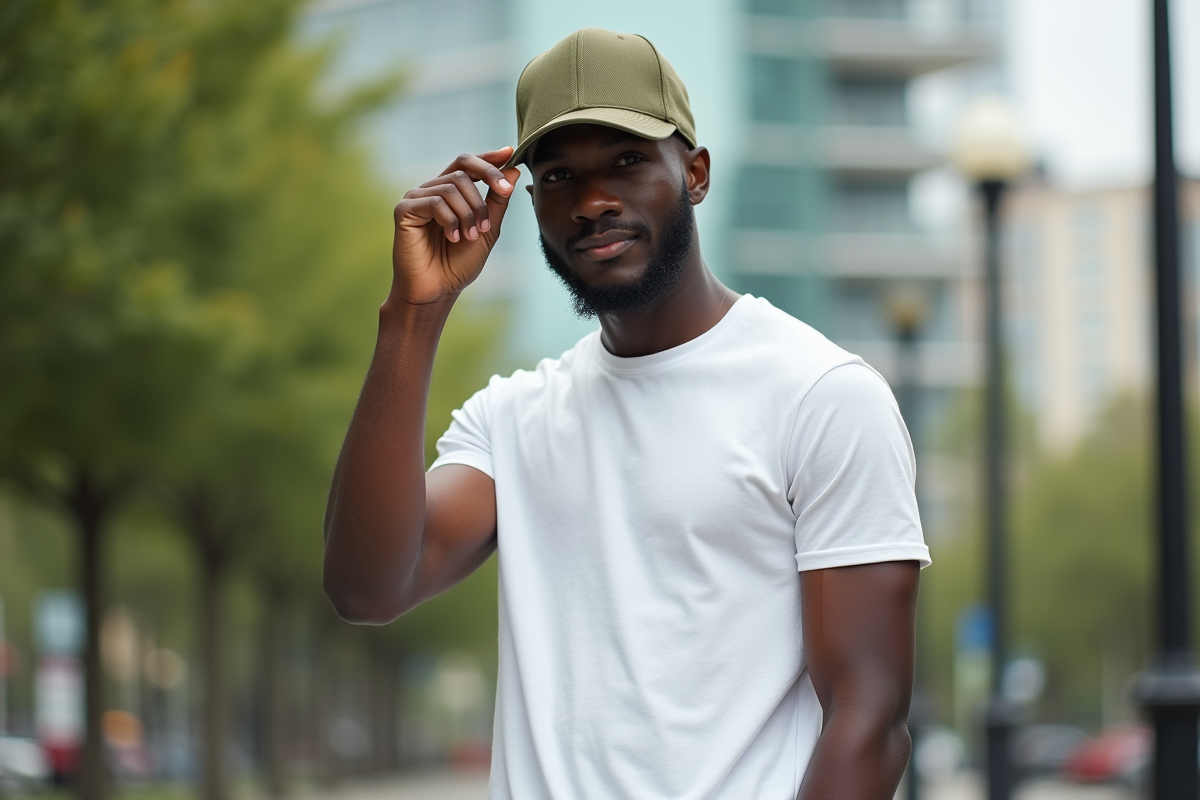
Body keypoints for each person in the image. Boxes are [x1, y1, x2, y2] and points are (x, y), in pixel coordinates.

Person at [323, 27, 930, 800]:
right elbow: (367, 587)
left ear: (695, 173)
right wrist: (415, 313)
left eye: (627, 161)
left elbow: (868, 718)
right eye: (558, 176)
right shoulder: (510, 419)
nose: (592, 202)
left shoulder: (822, 395)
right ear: (528, 201)